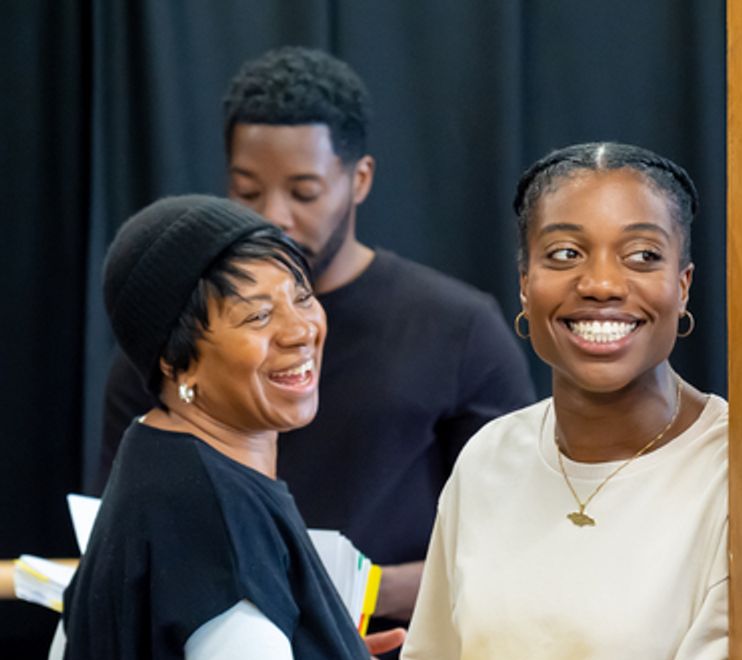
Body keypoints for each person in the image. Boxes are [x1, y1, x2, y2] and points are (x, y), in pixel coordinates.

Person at [314, 142, 731, 660]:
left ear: (682, 289)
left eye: (641, 254)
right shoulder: (489, 458)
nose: (601, 282)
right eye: (564, 253)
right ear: (525, 284)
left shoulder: (740, 476)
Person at [29, 195, 390, 660]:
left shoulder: (153, 451)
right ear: (174, 353)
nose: (299, 329)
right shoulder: (215, 506)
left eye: (301, 295)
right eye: (257, 317)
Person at [98, 46, 535, 623]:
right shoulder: (176, 331)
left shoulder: (457, 326)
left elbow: (519, 542)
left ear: (360, 179)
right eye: (247, 192)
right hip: (212, 637)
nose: (272, 217)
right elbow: (122, 527)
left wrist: (349, 587)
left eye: (303, 192)